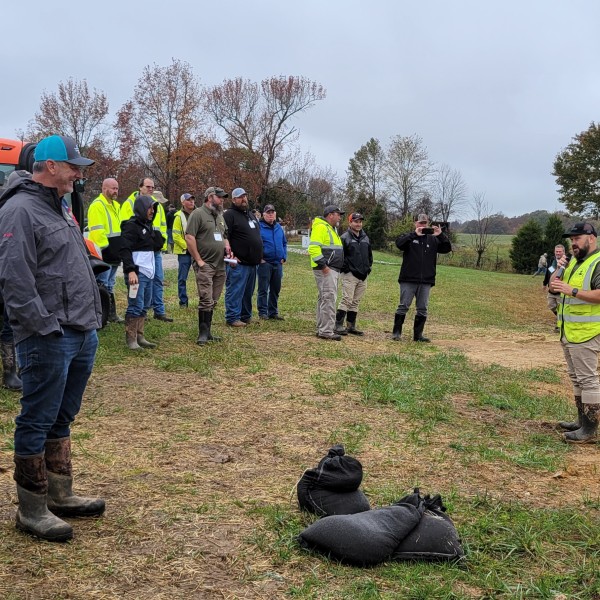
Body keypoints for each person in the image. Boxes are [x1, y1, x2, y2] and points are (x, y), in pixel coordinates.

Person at [0, 134, 105, 542]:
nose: (79, 174)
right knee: (36, 419)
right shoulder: (20, 210)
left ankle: (60, 495)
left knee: (62, 417)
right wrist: (43, 326)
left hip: (80, 331)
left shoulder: (59, 207)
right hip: (49, 335)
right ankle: (31, 509)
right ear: (49, 166)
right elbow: (14, 277)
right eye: (73, 166)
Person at [550, 222, 600, 443]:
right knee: (576, 378)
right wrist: (559, 268)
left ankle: (589, 429)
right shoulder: (573, 263)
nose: (573, 244)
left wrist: (573, 291)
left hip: (588, 332)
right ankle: (581, 422)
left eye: (577, 239)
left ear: (591, 238)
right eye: (571, 240)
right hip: (569, 331)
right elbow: (553, 287)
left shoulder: (597, 262)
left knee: (588, 380)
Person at [392, 213, 452, 342]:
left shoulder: (433, 239)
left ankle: (418, 335)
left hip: (426, 280)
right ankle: (396, 332)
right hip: (408, 278)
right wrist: (414, 234)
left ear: (428, 223)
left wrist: (440, 235)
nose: (422, 225)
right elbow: (399, 244)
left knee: (423, 308)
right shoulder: (408, 237)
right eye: (420, 223)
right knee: (403, 305)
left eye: (425, 223)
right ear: (415, 223)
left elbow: (447, 248)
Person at [120, 179, 173, 322]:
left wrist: (155, 236)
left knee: (152, 290)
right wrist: (130, 269)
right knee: (136, 303)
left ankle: (146, 325)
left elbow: (159, 231)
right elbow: (125, 245)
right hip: (137, 265)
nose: (151, 189)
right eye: (148, 186)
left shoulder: (154, 211)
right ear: (140, 187)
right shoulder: (130, 210)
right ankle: (132, 337)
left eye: (153, 187)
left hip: (150, 259)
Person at [185, 186, 231, 345]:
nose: (222, 201)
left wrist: (227, 247)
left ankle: (209, 331)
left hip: (220, 265)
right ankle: (202, 334)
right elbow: (189, 237)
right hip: (206, 264)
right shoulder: (198, 214)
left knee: (214, 299)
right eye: (220, 198)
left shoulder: (219, 216)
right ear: (210, 197)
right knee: (206, 298)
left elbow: (224, 235)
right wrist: (199, 261)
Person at [120, 195, 163, 351]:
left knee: (144, 305)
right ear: (142, 208)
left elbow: (158, 245)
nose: (152, 211)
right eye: (150, 207)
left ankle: (140, 335)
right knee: (135, 305)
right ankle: (131, 340)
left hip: (148, 273)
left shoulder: (148, 225)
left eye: (153, 208)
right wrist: (131, 271)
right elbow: (125, 250)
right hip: (137, 273)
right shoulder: (131, 226)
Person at [224, 188, 263, 327]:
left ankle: (246, 316)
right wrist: (230, 255)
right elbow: (224, 237)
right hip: (238, 263)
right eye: (240, 197)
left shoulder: (251, 215)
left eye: (245, 196)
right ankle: (232, 317)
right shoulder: (229, 215)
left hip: (252, 263)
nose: (244, 199)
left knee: (248, 292)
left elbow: (256, 236)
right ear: (234, 200)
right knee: (235, 290)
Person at [87, 178, 124, 323]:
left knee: (110, 283)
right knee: (102, 284)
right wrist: (104, 251)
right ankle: (100, 316)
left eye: (117, 188)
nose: (115, 191)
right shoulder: (97, 206)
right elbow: (97, 232)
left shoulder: (115, 205)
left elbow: (118, 229)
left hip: (114, 252)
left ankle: (110, 314)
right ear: (104, 189)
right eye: (113, 188)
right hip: (104, 253)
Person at [308, 205, 345, 340]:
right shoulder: (321, 227)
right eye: (338, 214)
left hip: (330, 269)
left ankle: (322, 327)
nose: (339, 217)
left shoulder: (330, 228)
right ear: (330, 215)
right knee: (328, 298)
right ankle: (326, 331)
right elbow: (313, 248)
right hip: (326, 270)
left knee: (324, 298)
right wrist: (324, 266)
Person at [335, 212, 373, 336]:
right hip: (350, 274)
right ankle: (338, 325)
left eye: (360, 221)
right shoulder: (344, 237)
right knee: (347, 299)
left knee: (356, 301)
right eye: (356, 221)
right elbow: (340, 256)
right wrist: (347, 269)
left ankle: (351, 326)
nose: (358, 224)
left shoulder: (365, 237)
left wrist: (368, 268)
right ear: (350, 222)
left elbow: (369, 255)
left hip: (363, 275)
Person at [258, 204, 287, 320]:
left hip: (278, 263)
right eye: (268, 213)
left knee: (275, 289)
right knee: (263, 289)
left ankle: (273, 311)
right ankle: (263, 312)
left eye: (272, 212)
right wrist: (259, 258)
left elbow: (284, 243)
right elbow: (255, 243)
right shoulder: (259, 227)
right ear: (263, 214)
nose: (270, 215)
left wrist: (284, 256)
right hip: (265, 263)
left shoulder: (278, 227)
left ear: (275, 214)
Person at [172, 193, 196, 308]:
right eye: (188, 200)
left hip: (198, 251)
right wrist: (188, 246)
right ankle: (183, 301)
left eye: (192, 199)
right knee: (182, 278)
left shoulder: (199, 214)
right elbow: (176, 236)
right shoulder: (178, 216)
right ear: (182, 202)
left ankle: (205, 299)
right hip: (184, 252)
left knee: (202, 277)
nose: (191, 201)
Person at [543, 244, 567, 332]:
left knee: (561, 307)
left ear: (563, 252)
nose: (558, 253)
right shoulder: (551, 262)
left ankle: (560, 324)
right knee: (551, 306)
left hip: (561, 291)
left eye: (560, 251)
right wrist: (544, 283)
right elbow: (548, 274)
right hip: (551, 291)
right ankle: (560, 318)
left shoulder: (567, 262)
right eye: (556, 251)